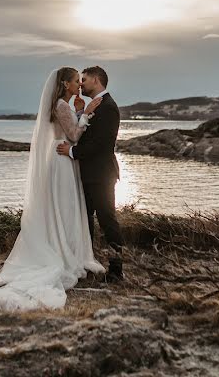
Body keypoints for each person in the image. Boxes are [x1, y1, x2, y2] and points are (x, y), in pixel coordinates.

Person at [0, 67, 104, 311]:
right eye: (75, 81)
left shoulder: (63, 105)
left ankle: (67, 249)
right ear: (65, 84)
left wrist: (80, 111)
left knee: (65, 208)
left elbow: (69, 129)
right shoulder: (61, 105)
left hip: (62, 159)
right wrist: (87, 114)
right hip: (62, 160)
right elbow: (73, 136)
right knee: (65, 208)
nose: (79, 85)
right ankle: (63, 253)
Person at [56, 65, 124, 281]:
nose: (81, 83)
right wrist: (80, 113)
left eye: (84, 79)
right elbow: (83, 133)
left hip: (102, 174)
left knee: (107, 220)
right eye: (79, 80)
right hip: (86, 174)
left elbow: (102, 144)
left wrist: (72, 151)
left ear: (96, 80)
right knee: (85, 221)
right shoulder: (95, 105)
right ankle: (87, 262)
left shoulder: (109, 107)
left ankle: (116, 270)